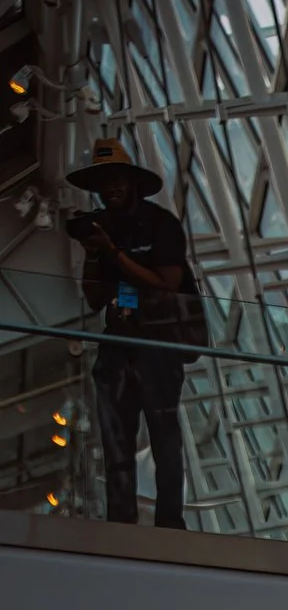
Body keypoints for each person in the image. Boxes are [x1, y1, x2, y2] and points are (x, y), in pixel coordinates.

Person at [65, 138, 194, 530]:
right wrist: (93, 253)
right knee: (115, 438)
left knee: (164, 437)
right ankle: (120, 521)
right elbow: (95, 297)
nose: (110, 190)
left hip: (157, 345)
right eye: (103, 184)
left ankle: (170, 522)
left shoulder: (160, 226)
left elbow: (166, 283)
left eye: (117, 180)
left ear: (133, 182)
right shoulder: (105, 229)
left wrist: (115, 253)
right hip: (119, 344)